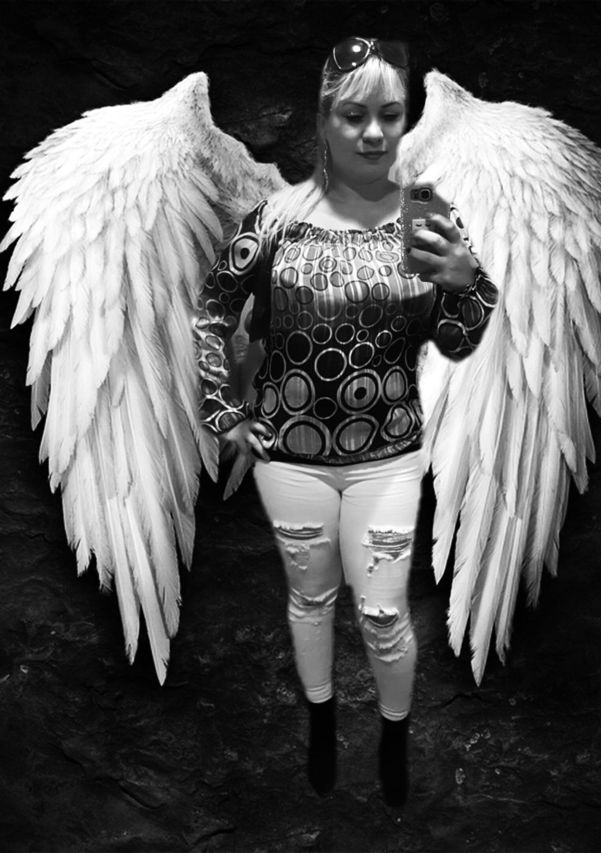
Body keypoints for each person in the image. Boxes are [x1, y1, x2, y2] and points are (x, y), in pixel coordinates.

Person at [194, 37, 498, 807]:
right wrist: (224, 413)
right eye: (353, 115)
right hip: (290, 458)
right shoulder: (274, 219)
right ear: (324, 119)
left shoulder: (426, 217)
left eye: (389, 115)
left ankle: (394, 734)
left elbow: (456, 339)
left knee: (384, 612)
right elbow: (212, 308)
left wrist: (470, 284)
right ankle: (323, 720)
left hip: (387, 456)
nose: (372, 133)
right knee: (311, 598)